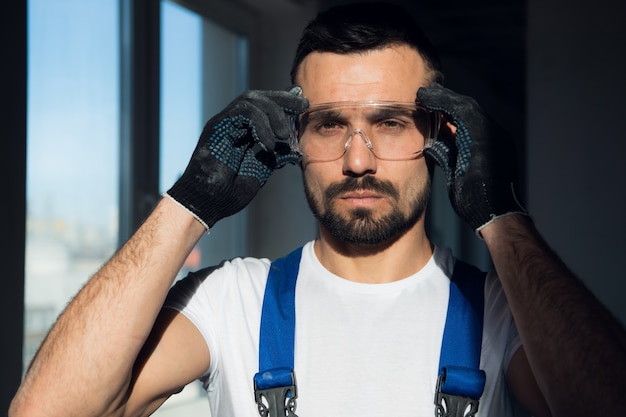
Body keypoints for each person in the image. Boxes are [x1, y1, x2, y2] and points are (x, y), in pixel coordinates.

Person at [10, 2, 626, 417]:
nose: (359, 160)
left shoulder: (501, 312)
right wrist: (187, 202)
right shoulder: (234, 301)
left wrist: (504, 219)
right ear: (294, 140)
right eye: (330, 125)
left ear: (440, 134)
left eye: (389, 122)